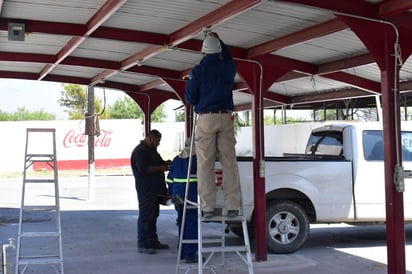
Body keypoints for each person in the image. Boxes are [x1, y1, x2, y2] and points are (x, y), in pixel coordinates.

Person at [184, 31, 241, 218]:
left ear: (203, 53)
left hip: (206, 118)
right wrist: (219, 40)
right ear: (219, 51)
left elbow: (191, 98)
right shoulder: (228, 67)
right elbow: (229, 57)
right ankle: (233, 206)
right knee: (229, 163)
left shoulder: (198, 71)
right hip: (226, 118)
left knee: (205, 164)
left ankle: (208, 208)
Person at [130, 129, 172, 254]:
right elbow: (144, 169)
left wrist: (167, 163)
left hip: (155, 190)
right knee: (146, 216)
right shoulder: (140, 152)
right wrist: (161, 167)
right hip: (146, 190)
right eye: (157, 141)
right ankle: (143, 243)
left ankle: (153, 241)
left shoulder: (151, 151)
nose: (158, 144)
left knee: (153, 216)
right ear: (149, 138)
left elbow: (159, 163)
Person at [166, 138, 198, 263]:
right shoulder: (195, 159)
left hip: (177, 196)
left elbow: (169, 179)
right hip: (191, 196)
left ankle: (182, 252)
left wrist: (171, 193)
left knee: (182, 222)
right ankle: (190, 255)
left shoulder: (176, 159)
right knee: (191, 224)